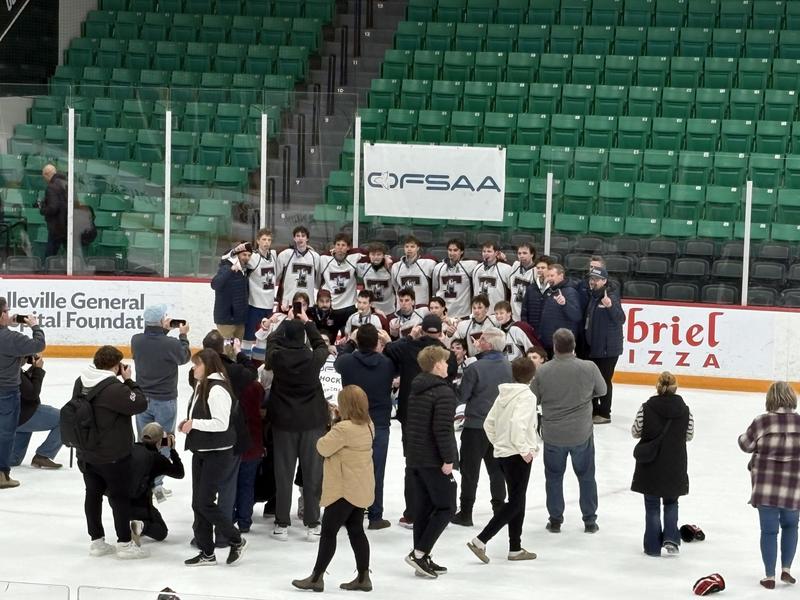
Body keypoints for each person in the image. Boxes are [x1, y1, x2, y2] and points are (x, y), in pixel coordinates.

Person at [292, 386, 376, 592]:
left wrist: (333, 422)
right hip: (361, 486)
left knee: (328, 532)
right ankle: (364, 577)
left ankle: (316, 577)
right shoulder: (369, 425)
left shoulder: (343, 429)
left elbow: (322, 446)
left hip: (343, 489)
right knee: (356, 531)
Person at [384, 314, 457, 528]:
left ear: (421, 329)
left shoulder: (408, 348)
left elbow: (389, 350)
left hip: (411, 413)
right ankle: (436, 507)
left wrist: (409, 337)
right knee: (437, 462)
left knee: (413, 463)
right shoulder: (447, 355)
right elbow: (450, 374)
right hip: (437, 409)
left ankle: (412, 512)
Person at [75, 345, 148, 558]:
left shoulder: (81, 382)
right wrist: (129, 381)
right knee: (119, 498)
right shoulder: (115, 389)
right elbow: (140, 403)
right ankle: (124, 544)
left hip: (87, 452)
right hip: (113, 455)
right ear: (116, 366)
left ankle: (97, 542)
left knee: (93, 495)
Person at [532, 329, 606, 534]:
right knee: (586, 476)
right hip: (581, 432)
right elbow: (602, 390)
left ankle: (555, 519)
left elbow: (533, 398)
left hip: (554, 435)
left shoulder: (543, 371)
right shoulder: (589, 367)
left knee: (554, 478)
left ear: (555, 347)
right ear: (574, 346)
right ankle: (589, 520)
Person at [265, 308, 330, 541]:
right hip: (312, 423)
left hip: (284, 424)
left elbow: (271, 341)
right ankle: (313, 523)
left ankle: (282, 523)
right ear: (303, 338)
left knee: (283, 474)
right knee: (313, 474)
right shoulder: (314, 358)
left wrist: (285, 321)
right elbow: (322, 346)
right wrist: (308, 323)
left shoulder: (277, 357)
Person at [467, 356, 539, 563]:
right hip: (517, 455)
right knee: (516, 501)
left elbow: (489, 423)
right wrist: (524, 449)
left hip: (503, 453)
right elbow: (518, 424)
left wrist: (500, 443)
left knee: (518, 499)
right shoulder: (527, 396)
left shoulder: (504, 393)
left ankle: (515, 547)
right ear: (532, 376)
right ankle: (481, 540)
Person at [181, 349, 247, 566]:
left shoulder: (217, 389)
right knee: (197, 503)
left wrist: (195, 424)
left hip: (217, 453)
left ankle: (235, 539)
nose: (193, 368)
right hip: (202, 450)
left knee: (205, 503)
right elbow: (201, 414)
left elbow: (221, 423)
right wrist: (189, 422)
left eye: (196, 364)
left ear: (207, 366)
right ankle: (206, 552)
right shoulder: (204, 385)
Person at [739, 381, 800, 589]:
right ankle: (786, 569)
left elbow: (745, 445)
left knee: (769, 531)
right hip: (794, 486)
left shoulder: (762, 421)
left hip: (765, 486)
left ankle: (769, 576)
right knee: (791, 525)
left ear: (770, 399)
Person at [404, 345, 458, 579]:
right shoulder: (443, 392)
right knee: (446, 507)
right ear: (437, 364)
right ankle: (419, 553)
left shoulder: (416, 387)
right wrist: (448, 459)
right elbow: (443, 430)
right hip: (433, 459)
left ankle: (422, 556)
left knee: (425, 509)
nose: (447, 365)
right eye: (445, 362)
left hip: (416, 457)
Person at [335, 324, 395, 530]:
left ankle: (348, 515)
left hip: (352, 423)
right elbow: (398, 357)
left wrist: (350, 342)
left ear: (358, 341)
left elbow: (337, 361)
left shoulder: (346, 362)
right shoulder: (387, 364)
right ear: (377, 342)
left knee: (350, 469)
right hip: (378, 423)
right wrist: (388, 342)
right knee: (376, 471)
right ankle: (375, 515)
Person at [451, 327, 512, 527]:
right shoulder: (509, 366)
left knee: (470, 472)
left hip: (476, 427)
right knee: (497, 472)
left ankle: (466, 512)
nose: (478, 342)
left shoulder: (475, 368)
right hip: (499, 427)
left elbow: (462, 396)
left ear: (487, 344)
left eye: (481, 339)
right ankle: (499, 510)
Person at [131, 305, 191, 501]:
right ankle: (157, 483)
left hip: (142, 400)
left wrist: (163, 330)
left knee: (145, 439)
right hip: (164, 400)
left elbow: (154, 344)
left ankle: (145, 481)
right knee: (165, 441)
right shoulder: (171, 344)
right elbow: (183, 357)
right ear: (160, 321)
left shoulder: (136, 340)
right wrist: (183, 336)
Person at [631, 372, 694, 557]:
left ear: (658, 386)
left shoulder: (646, 408)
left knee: (651, 505)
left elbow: (636, 431)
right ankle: (671, 539)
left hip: (651, 463)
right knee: (671, 502)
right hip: (675, 462)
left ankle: (652, 546)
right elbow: (689, 435)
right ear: (675, 387)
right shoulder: (685, 410)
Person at [0, 299, 46, 489]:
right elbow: (38, 344)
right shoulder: (11, 338)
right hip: (6, 392)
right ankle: (2, 474)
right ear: (1, 315)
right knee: (5, 433)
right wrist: (35, 326)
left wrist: (6, 324)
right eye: (6, 311)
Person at [225, 230, 279, 361]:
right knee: (248, 338)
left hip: (269, 305)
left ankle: (257, 366)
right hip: (254, 305)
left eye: (269, 240)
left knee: (263, 338)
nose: (266, 243)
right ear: (258, 241)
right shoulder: (252, 257)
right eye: (264, 239)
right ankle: (244, 363)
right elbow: (229, 258)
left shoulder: (273, 255)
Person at [129, 422, 185, 545]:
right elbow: (180, 473)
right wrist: (172, 449)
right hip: (141, 506)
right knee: (161, 532)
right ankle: (141, 525)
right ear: (160, 441)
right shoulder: (158, 459)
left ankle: (133, 524)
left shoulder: (131, 449)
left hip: (120, 503)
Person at [584, 266, 626, 424]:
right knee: (595, 380)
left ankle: (605, 412)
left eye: (596, 279)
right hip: (596, 346)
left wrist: (609, 306)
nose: (592, 282)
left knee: (604, 380)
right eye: (591, 279)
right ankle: (595, 410)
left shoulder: (611, 296)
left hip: (608, 349)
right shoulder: (594, 296)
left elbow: (621, 318)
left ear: (604, 281)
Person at [10, 354, 62, 469]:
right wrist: (38, 370)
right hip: (25, 414)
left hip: (12, 417)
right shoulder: (14, 371)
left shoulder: (7, 368)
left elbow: (23, 386)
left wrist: (32, 369)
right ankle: (43, 455)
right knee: (65, 419)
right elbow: (32, 394)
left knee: (13, 459)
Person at [319, 233, 364, 334]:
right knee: (328, 337)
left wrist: (386, 258)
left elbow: (370, 254)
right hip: (332, 307)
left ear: (348, 247)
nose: (340, 248)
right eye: (338, 245)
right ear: (334, 246)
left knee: (349, 338)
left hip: (349, 307)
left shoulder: (354, 258)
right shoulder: (324, 259)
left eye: (343, 245)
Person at [538, 264, 582, 359]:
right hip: (549, 342)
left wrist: (565, 304)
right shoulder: (550, 291)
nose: (549, 278)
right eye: (548, 276)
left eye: (552, 276)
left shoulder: (570, 292)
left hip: (562, 344)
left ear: (561, 275)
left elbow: (577, 316)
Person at [211, 244, 252, 340]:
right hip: (226, 320)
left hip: (239, 320)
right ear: (237, 256)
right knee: (227, 351)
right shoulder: (226, 268)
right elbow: (214, 284)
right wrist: (230, 270)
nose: (246, 258)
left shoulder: (245, 271)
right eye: (244, 255)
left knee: (236, 350)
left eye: (249, 255)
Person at [276, 226, 321, 310]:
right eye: (298, 235)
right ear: (294, 238)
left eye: (303, 236)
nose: (300, 238)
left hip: (308, 303)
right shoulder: (285, 255)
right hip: (288, 302)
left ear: (307, 239)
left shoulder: (315, 257)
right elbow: (276, 278)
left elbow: (318, 282)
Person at [432, 239, 477, 319]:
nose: (452, 253)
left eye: (455, 250)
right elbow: (435, 289)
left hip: (463, 314)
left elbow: (485, 265)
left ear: (462, 252)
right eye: (450, 250)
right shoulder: (439, 267)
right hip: (444, 314)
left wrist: (501, 258)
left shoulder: (469, 266)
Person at [391, 235, 436, 309]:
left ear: (418, 248)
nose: (409, 249)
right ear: (404, 248)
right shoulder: (396, 266)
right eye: (407, 246)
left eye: (412, 246)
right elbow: (395, 287)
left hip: (422, 308)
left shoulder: (428, 264)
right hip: (403, 308)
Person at [38, 163, 68, 258]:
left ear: (47, 174)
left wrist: (42, 210)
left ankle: (47, 270)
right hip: (68, 223)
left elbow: (53, 208)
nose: (45, 180)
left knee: (50, 253)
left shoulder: (51, 187)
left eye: (44, 177)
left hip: (57, 225)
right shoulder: (66, 183)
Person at [357, 242, 395, 316]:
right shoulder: (364, 268)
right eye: (373, 254)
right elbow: (349, 256)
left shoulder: (390, 267)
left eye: (379, 254)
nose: (376, 257)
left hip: (389, 311)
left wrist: (389, 258)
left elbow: (401, 260)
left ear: (383, 255)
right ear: (369, 255)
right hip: (370, 310)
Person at [471, 241, 512, 309]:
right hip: (480, 312)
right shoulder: (477, 268)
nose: (486, 254)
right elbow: (475, 292)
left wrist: (504, 260)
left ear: (496, 253)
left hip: (498, 312)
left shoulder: (506, 268)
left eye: (489, 251)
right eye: (484, 251)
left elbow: (511, 290)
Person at [520, 255, 553, 335]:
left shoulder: (555, 289)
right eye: (538, 268)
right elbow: (524, 312)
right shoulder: (531, 288)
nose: (539, 270)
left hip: (550, 333)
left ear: (550, 269)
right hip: (533, 332)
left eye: (543, 268)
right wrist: (526, 328)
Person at [509, 243, 537, 322]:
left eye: (525, 253)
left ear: (532, 254)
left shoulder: (536, 272)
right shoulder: (515, 266)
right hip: (513, 315)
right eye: (519, 253)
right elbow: (508, 286)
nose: (521, 256)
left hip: (528, 315)